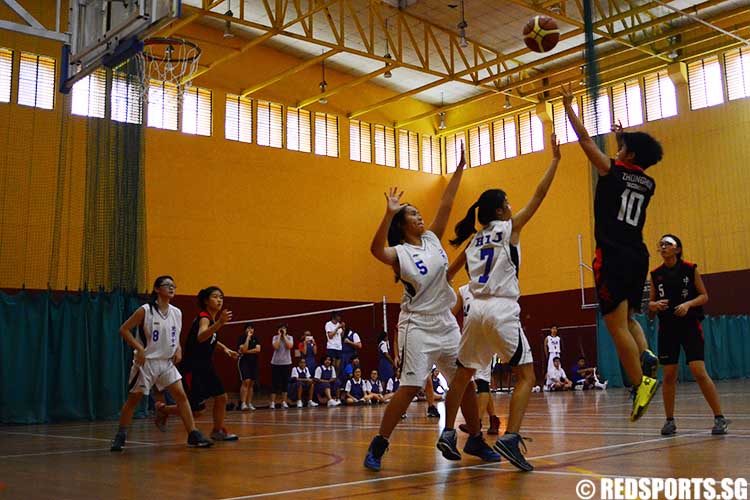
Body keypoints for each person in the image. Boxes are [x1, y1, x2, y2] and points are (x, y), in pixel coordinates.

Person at [364, 145, 500, 471]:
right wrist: (388, 212)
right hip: (417, 325)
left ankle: (476, 439)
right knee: (410, 388)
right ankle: (379, 443)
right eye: (412, 214)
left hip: (444, 321)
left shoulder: (432, 239)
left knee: (463, 379)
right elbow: (374, 249)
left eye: (417, 212)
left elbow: (447, 203)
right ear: (401, 224)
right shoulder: (399, 253)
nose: (419, 216)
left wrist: (460, 168)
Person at [437, 132, 561, 472]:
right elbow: (539, 194)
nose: (511, 205)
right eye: (507, 201)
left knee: (462, 376)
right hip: (502, 309)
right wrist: (554, 160)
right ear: (501, 209)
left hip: (475, 310)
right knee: (526, 377)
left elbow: (447, 274)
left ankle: (448, 432)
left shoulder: (474, 239)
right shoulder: (510, 227)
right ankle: (510, 438)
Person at [561, 83, 662, 421]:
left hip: (613, 254)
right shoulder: (647, 182)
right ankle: (646, 354)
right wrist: (622, 138)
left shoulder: (611, 170)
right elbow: (627, 159)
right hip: (638, 254)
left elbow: (586, 141)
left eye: (624, 147)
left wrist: (568, 108)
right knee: (629, 317)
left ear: (628, 155)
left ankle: (639, 384)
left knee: (614, 325)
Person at [110, 276, 212, 451]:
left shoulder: (176, 312)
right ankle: (121, 434)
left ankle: (193, 433)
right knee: (134, 400)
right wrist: (139, 349)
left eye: (174, 285)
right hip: (146, 362)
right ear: (157, 289)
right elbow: (124, 330)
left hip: (166, 362)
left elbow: (175, 334)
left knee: (181, 396)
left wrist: (178, 348)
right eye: (167, 285)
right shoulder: (145, 310)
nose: (172, 288)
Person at [649, 234, 728, 436]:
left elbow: (704, 296)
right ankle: (669, 421)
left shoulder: (690, 268)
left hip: (690, 326)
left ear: (677, 249)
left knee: (698, 371)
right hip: (667, 329)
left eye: (668, 244)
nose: (663, 247)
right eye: (661, 245)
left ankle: (719, 418)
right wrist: (654, 305)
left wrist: (687, 304)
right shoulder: (655, 274)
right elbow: (650, 304)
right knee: (668, 375)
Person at [179, 286, 239, 442]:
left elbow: (212, 338)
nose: (219, 300)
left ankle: (217, 430)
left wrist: (225, 349)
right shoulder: (204, 317)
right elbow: (201, 336)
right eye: (215, 297)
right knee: (197, 411)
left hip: (206, 366)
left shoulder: (212, 320)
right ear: (206, 300)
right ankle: (164, 409)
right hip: (193, 367)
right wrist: (219, 323)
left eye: (221, 297)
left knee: (222, 398)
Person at [453, 282, 501, 436]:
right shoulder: (463, 290)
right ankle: (493, 419)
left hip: (486, 340)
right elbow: (451, 313)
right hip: (469, 342)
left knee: (482, 383)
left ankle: (477, 422)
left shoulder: (491, 287)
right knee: (480, 382)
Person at [270, 323, 294, 409]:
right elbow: (275, 347)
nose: (282, 330)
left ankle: (284, 402)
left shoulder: (290, 337)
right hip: (275, 363)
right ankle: (272, 402)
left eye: (284, 328)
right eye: (281, 328)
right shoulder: (275, 338)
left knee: (285, 383)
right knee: (274, 383)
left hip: (286, 363)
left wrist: (284, 336)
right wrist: (279, 336)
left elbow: (289, 346)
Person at [237, 322, 260, 411]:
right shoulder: (241, 339)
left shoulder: (256, 339)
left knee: (251, 383)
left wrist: (246, 351)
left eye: (252, 328)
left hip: (253, 362)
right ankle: (243, 403)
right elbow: (243, 349)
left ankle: (249, 403)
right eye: (248, 328)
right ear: (245, 330)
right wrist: (247, 338)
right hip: (243, 362)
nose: (250, 330)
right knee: (246, 381)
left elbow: (258, 350)